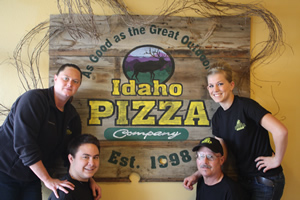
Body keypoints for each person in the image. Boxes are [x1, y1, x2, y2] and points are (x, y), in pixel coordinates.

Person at [183, 62, 288, 200]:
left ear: (231, 85)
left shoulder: (247, 106)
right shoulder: (217, 119)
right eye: (211, 85)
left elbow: (281, 131)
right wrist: (197, 175)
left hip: (265, 180)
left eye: (220, 84)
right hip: (243, 179)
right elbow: (220, 155)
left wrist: (276, 160)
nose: (215, 89)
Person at [0, 64, 101, 200]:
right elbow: (24, 145)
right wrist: (47, 179)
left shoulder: (72, 116)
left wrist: (89, 179)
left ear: (78, 86)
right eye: (66, 78)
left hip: (32, 177)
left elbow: (74, 152)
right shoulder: (33, 100)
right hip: (5, 172)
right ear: (55, 79)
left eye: (75, 81)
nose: (70, 83)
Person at [48, 134, 100, 200]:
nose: (92, 163)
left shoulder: (89, 185)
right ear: (71, 159)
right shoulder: (65, 193)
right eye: (85, 157)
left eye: (95, 157)